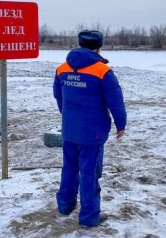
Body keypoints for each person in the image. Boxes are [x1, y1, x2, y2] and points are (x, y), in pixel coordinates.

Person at [53, 30, 127, 228]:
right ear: (98, 47)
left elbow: (59, 98)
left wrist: (69, 117)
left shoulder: (62, 69)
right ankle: (89, 217)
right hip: (92, 133)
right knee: (89, 173)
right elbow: (116, 102)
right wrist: (121, 125)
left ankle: (65, 206)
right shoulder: (103, 71)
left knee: (69, 168)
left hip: (70, 130)